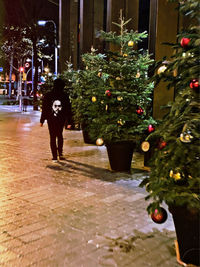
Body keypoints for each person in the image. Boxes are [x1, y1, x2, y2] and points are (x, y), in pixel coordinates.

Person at [40, 78, 72, 162]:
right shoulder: (64, 96)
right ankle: (60, 153)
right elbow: (68, 109)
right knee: (60, 135)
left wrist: (42, 120)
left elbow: (45, 108)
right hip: (61, 119)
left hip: (51, 120)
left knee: (53, 137)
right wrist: (69, 121)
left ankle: (54, 156)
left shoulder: (48, 95)